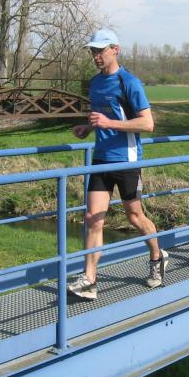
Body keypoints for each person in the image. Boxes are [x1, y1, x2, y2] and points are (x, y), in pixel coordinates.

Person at [70, 28, 168, 299]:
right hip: (101, 159)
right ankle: (90, 280)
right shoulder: (95, 83)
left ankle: (157, 256)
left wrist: (108, 123)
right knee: (93, 219)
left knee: (134, 217)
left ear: (115, 50)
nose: (96, 56)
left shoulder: (130, 83)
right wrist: (89, 128)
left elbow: (147, 124)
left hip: (127, 160)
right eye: (93, 51)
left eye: (100, 51)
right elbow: (103, 117)